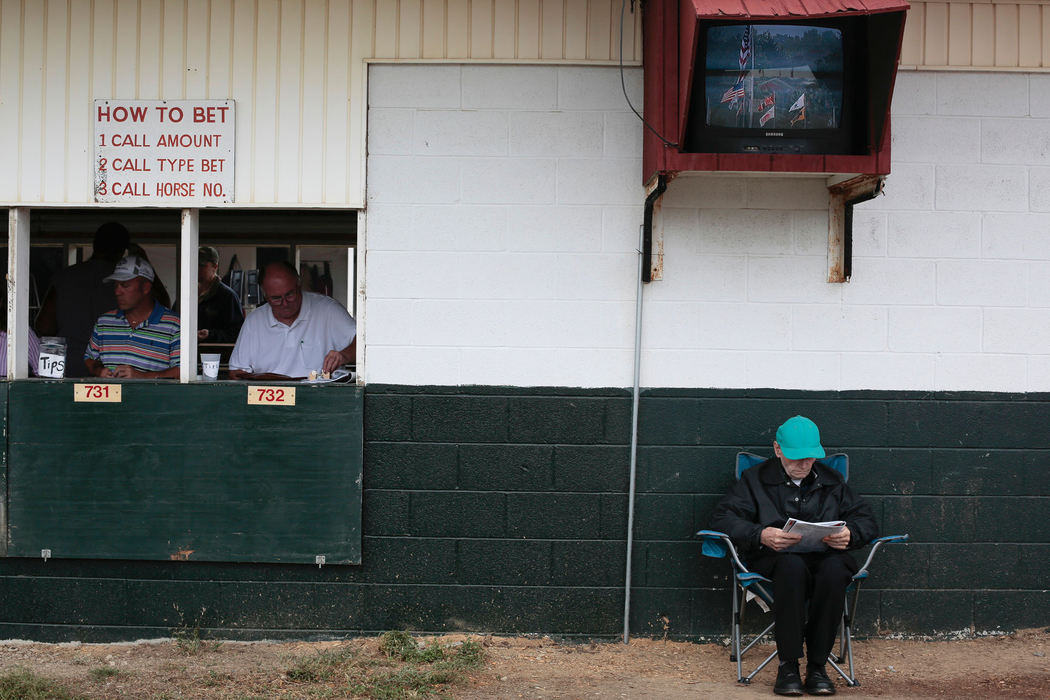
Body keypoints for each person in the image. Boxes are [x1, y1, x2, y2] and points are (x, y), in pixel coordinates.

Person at [708, 416, 878, 697]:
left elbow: (867, 520)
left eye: (810, 458)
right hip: (775, 558)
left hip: (826, 557)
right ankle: (788, 665)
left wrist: (851, 532)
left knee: (836, 572)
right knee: (792, 567)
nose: (803, 464)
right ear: (777, 450)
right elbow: (722, 518)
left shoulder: (832, 480)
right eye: (796, 458)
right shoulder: (754, 480)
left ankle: (817, 667)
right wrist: (761, 534)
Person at [228, 261, 355, 380]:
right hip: (270, 399)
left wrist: (344, 355)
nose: (285, 303)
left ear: (299, 286)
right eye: (276, 298)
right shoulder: (254, 321)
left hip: (319, 396)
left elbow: (365, 343)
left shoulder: (328, 309)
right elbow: (237, 371)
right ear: (265, 295)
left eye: (290, 295)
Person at [35, 222, 130, 377]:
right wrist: (142, 259)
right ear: (122, 251)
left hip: (69, 364)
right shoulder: (129, 283)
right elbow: (158, 306)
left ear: (95, 244)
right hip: (114, 366)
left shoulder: (65, 277)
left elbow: (44, 327)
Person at [83, 254, 180, 379]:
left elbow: (181, 371)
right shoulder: (104, 322)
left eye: (125, 285)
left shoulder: (173, 324)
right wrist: (99, 371)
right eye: (116, 285)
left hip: (153, 398)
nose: (117, 292)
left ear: (145, 287)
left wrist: (142, 376)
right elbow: (89, 358)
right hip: (111, 398)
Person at [185, 246, 243, 343]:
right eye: (193, 263)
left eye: (201, 265)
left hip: (215, 356)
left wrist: (210, 335)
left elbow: (238, 333)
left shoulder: (228, 296)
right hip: (185, 356)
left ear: (215, 266)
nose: (196, 268)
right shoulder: (185, 294)